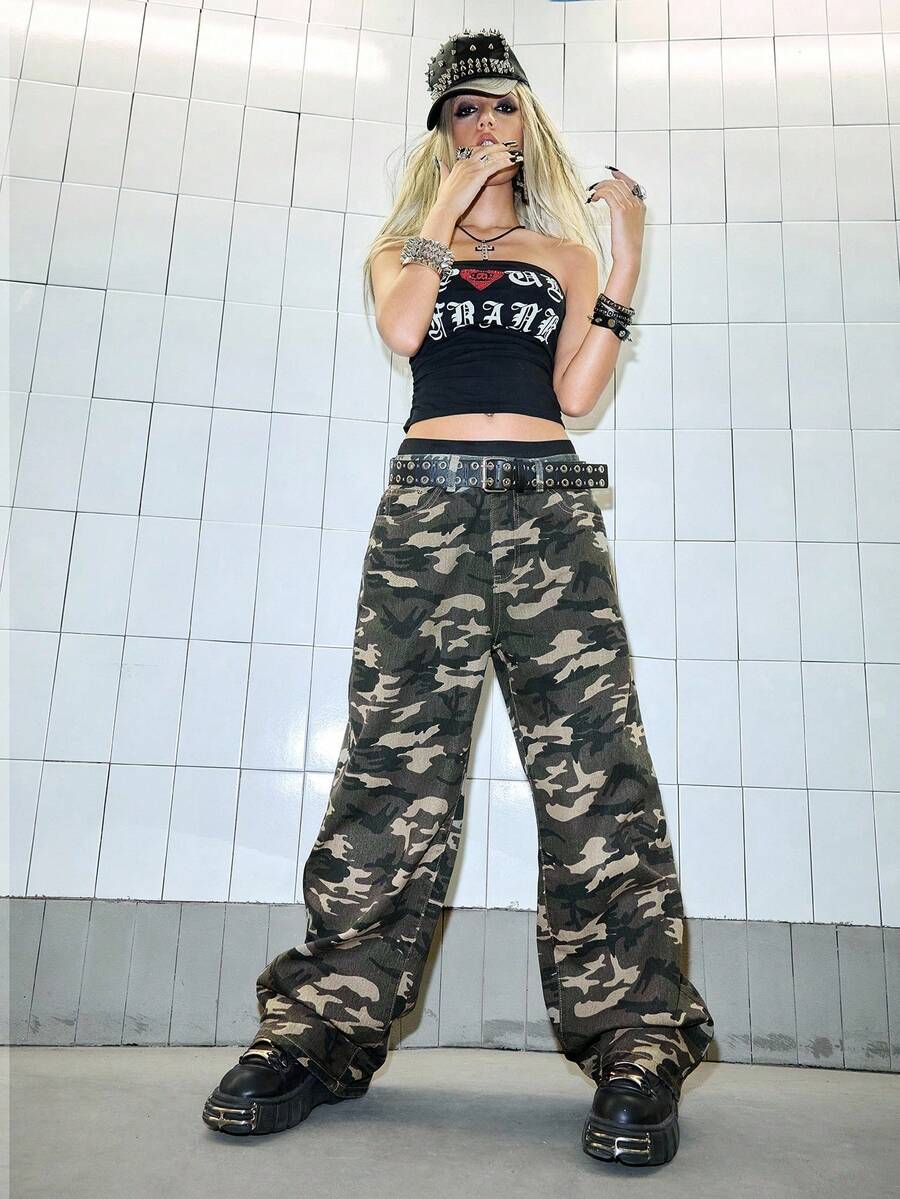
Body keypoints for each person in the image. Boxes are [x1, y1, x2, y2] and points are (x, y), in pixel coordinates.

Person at [202, 27, 714, 1167]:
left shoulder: (563, 254)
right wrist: (444, 204)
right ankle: (319, 1029)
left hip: (549, 508)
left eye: (501, 108)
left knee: (596, 772)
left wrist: (623, 257)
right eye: (462, 113)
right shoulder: (401, 248)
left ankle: (637, 1041)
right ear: (441, 135)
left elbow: (576, 394)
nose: (486, 125)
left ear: (530, 122)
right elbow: (402, 328)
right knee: (390, 772)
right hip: (427, 508)